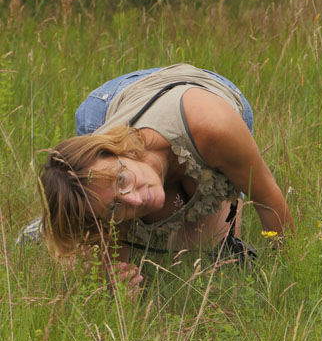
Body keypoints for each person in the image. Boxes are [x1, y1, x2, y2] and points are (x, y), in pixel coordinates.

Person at [38, 63, 294, 294]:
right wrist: (116, 285)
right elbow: (102, 259)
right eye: (116, 206)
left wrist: (287, 278)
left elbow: (267, 198)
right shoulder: (105, 172)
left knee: (214, 253)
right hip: (123, 122)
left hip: (143, 96)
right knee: (92, 244)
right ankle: (42, 228)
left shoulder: (214, 128)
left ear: (117, 149)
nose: (136, 200)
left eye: (122, 180)